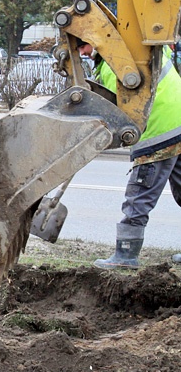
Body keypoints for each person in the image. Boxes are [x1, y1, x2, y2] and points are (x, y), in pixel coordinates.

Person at [78, 40, 181, 268]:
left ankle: (126, 255)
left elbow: (121, 116)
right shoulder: (139, 47)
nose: (82, 53)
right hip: (179, 119)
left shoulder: (114, 66)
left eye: (82, 46)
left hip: (159, 129)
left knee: (139, 196)